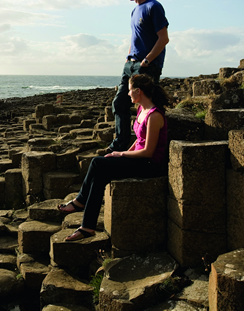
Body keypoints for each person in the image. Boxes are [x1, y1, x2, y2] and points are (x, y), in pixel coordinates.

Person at [58, 74, 169, 241]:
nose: (128, 93)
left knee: (96, 162)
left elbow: (148, 151)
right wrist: (123, 153)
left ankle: (80, 201)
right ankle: (87, 227)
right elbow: (139, 141)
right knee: (100, 176)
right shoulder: (141, 110)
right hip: (138, 159)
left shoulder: (154, 115)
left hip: (149, 165)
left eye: (130, 90)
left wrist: (121, 154)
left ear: (138, 91)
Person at [108, 0, 169, 152]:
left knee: (148, 107)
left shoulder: (154, 6)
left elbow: (163, 38)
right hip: (130, 65)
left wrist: (147, 61)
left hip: (146, 66)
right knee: (119, 103)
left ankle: (147, 148)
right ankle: (120, 145)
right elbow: (135, 38)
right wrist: (128, 59)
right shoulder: (134, 10)